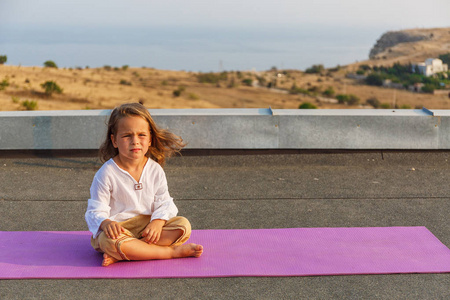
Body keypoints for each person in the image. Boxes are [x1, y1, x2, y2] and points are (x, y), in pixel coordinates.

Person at [85, 103, 203, 267]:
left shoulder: (155, 170)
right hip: (119, 230)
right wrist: (106, 223)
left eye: (141, 135)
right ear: (114, 140)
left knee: (183, 226)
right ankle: (169, 252)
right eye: (127, 136)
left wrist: (158, 221)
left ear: (150, 140)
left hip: (147, 228)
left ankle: (127, 253)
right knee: (108, 241)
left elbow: (164, 202)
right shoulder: (106, 173)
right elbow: (95, 210)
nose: (135, 141)